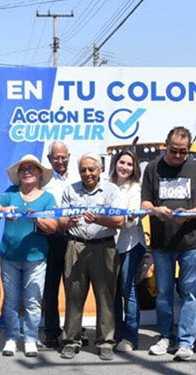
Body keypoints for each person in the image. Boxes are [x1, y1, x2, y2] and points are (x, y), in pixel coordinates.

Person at [141, 127, 196, 361]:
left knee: (190, 293)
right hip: (161, 243)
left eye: (183, 152)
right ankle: (164, 337)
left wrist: (191, 213)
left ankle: (186, 341)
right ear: (166, 145)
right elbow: (144, 202)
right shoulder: (152, 168)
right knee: (163, 292)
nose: (178, 156)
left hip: (190, 241)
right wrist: (155, 210)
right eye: (174, 151)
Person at [57, 154, 124, 360]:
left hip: (103, 247)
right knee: (74, 295)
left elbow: (119, 220)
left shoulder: (112, 191)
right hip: (75, 245)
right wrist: (68, 222)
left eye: (91, 170)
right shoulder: (70, 189)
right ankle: (71, 340)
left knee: (105, 297)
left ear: (100, 171)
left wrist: (99, 219)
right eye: (83, 170)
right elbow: (60, 220)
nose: (87, 174)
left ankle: (105, 341)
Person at [0, 154, 58, 358]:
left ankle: (30, 338)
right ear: (18, 174)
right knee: (11, 300)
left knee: (32, 301)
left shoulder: (48, 198)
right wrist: (3, 210)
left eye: (31, 168)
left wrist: (37, 218)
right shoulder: (10, 193)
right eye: (23, 169)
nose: (27, 171)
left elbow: (53, 227)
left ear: (39, 173)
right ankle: (11, 338)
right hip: (9, 256)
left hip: (36, 258)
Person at [109, 150, 145, 352]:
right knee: (112, 292)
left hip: (131, 245)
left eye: (129, 164)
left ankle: (130, 337)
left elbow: (132, 222)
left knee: (128, 289)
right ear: (115, 163)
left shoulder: (136, 189)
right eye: (121, 162)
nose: (124, 167)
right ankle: (116, 333)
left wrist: (115, 219)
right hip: (108, 245)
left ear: (134, 168)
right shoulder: (107, 186)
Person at [40, 141, 71, 348]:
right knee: (50, 288)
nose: (60, 161)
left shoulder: (79, 177)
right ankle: (52, 331)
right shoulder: (44, 182)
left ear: (69, 156)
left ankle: (72, 331)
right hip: (51, 238)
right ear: (50, 160)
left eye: (63, 157)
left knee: (74, 289)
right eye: (55, 158)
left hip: (76, 238)